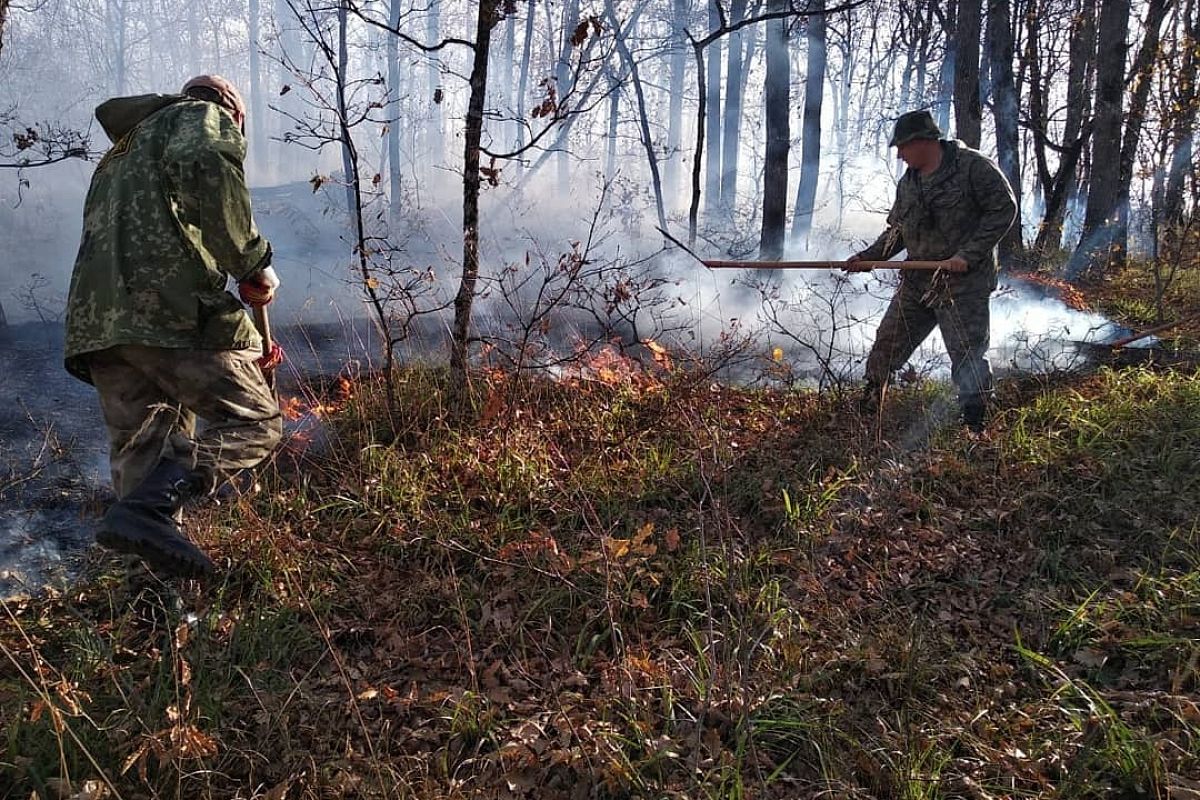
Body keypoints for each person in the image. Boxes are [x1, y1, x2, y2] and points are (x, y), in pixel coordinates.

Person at [64, 75, 284, 578]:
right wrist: (254, 266)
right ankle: (151, 510)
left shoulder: (121, 152)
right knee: (256, 420)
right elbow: (212, 172)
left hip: (102, 326)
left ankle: (149, 609)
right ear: (235, 115)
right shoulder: (201, 118)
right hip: (164, 312)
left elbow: (158, 232)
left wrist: (246, 342)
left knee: (142, 454)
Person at [848, 109, 1017, 432]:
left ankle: (974, 424)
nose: (898, 154)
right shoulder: (908, 183)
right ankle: (869, 408)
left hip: (962, 284)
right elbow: (898, 231)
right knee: (887, 342)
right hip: (917, 282)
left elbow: (1003, 210)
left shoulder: (973, 168)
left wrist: (967, 254)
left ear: (924, 142)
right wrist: (868, 258)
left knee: (967, 354)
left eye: (903, 147)